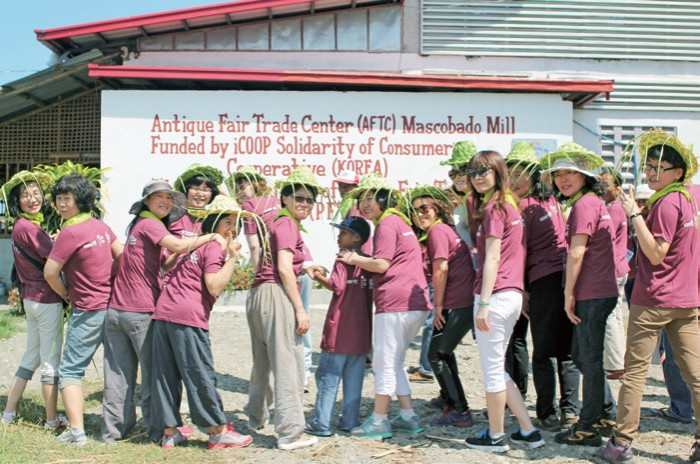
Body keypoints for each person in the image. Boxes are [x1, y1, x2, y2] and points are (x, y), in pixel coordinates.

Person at [101, 180, 228, 443]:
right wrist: (211, 237)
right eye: (158, 196)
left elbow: (167, 260)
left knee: (117, 377)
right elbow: (180, 246)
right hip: (140, 310)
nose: (166, 202)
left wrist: (181, 254)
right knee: (154, 375)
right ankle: (160, 432)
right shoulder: (150, 224)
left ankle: (112, 433)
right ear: (146, 201)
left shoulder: (137, 226)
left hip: (116, 311)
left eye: (169, 198)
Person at [600, 130, 700, 463]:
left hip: (655, 299)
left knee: (635, 374)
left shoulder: (667, 203)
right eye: (650, 164)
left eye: (660, 166)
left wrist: (634, 213)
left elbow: (656, 254)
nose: (651, 171)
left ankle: (621, 443)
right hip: (686, 300)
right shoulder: (688, 196)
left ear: (678, 171)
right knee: (696, 375)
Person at [150, 195, 253, 450]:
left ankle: (170, 433)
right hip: (188, 317)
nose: (232, 228)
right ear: (214, 223)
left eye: (235, 224)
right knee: (200, 374)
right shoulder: (214, 247)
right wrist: (232, 258)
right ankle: (218, 431)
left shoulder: (195, 244)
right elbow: (214, 285)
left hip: (164, 312)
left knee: (166, 375)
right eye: (227, 222)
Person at [338, 174, 432, 439]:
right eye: (362, 199)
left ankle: (379, 420)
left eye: (371, 198)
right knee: (396, 361)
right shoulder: (399, 221)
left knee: (382, 361)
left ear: (384, 199)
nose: (365, 204)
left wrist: (353, 258)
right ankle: (408, 416)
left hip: (396, 302)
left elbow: (382, 264)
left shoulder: (387, 224)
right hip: (414, 303)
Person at [463, 151, 544, 453]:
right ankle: (528, 430)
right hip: (508, 295)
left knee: (493, 371)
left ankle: (495, 435)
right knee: (499, 368)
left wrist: (483, 303)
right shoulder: (509, 206)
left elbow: (493, 258)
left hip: (495, 296)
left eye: (484, 170)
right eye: (473, 172)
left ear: (498, 172)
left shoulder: (496, 208)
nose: (477, 176)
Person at [540, 143, 618, 447]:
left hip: (592, 292)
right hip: (600, 290)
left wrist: (567, 294)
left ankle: (587, 428)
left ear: (585, 175)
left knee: (589, 359)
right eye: (558, 173)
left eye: (570, 172)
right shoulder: (594, 202)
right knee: (586, 359)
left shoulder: (584, 204)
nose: (563, 178)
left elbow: (576, 252)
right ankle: (605, 413)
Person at [245, 167, 323, 450]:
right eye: (299, 197)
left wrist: (308, 266)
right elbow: (284, 268)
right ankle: (291, 432)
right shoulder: (287, 222)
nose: (305, 203)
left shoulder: (276, 221)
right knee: (287, 363)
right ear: (285, 198)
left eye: (310, 200)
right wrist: (300, 309)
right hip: (275, 292)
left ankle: (255, 417)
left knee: (262, 362)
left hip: (257, 294)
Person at [44, 173, 124, 445]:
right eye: (58, 199)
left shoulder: (69, 232)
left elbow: (50, 273)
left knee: (70, 371)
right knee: (116, 370)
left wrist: (66, 294)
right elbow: (122, 256)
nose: (62, 205)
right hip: (113, 308)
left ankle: (77, 432)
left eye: (67, 199)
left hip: (88, 311)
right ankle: (117, 428)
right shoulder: (99, 226)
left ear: (80, 200)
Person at [506, 143, 580, 431]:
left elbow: (519, 252)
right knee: (565, 350)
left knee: (546, 350)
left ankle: (548, 411)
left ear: (534, 175)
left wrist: (523, 289)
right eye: (509, 173)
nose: (513, 179)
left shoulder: (523, 207)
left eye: (520, 173)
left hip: (546, 281)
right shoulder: (551, 200)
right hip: (564, 278)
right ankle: (569, 411)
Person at [1, 171, 68, 429]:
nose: (32, 199)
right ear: (17, 201)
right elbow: (55, 256)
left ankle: (9, 413)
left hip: (30, 300)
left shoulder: (20, 226)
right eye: (25, 195)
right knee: (51, 361)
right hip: (47, 299)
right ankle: (52, 420)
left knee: (30, 357)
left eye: (36, 193)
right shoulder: (30, 227)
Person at [406, 186, 476, 427]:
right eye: (415, 211)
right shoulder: (441, 230)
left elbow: (441, 269)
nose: (420, 214)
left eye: (424, 208)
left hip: (458, 302)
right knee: (443, 352)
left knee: (435, 355)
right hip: (458, 300)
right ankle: (448, 397)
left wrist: (437, 307)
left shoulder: (437, 231)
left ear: (436, 209)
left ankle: (461, 410)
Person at [304, 216, 373, 436]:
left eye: (343, 233)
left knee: (328, 377)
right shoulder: (368, 262)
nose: (339, 236)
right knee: (354, 378)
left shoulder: (343, 258)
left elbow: (337, 285)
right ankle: (349, 421)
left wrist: (318, 276)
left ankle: (322, 423)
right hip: (362, 331)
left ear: (356, 238)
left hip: (340, 328)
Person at [600, 170, 630, 380]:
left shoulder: (613, 211)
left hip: (612, 269)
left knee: (610, 316)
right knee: (617, 315)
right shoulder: (618, 208)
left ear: (617, 188)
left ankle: (615, 363)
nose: (602, 189)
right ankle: (619, 359)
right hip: (620, 268)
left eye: (606, 185)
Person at [226, 166, 280, 272]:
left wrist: (257, 275)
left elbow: (254, 246)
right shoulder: (275, 199)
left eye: (242, 187)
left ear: (255, 185)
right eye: (236, 190)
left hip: (274, 257)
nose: (239, 192)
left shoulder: (248, 206)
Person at [170, 163, 223, 238]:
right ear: (186, 190)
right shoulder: (173, 216)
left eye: (205, 190)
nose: (200, 194)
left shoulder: (214, 220)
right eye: (195, 188)